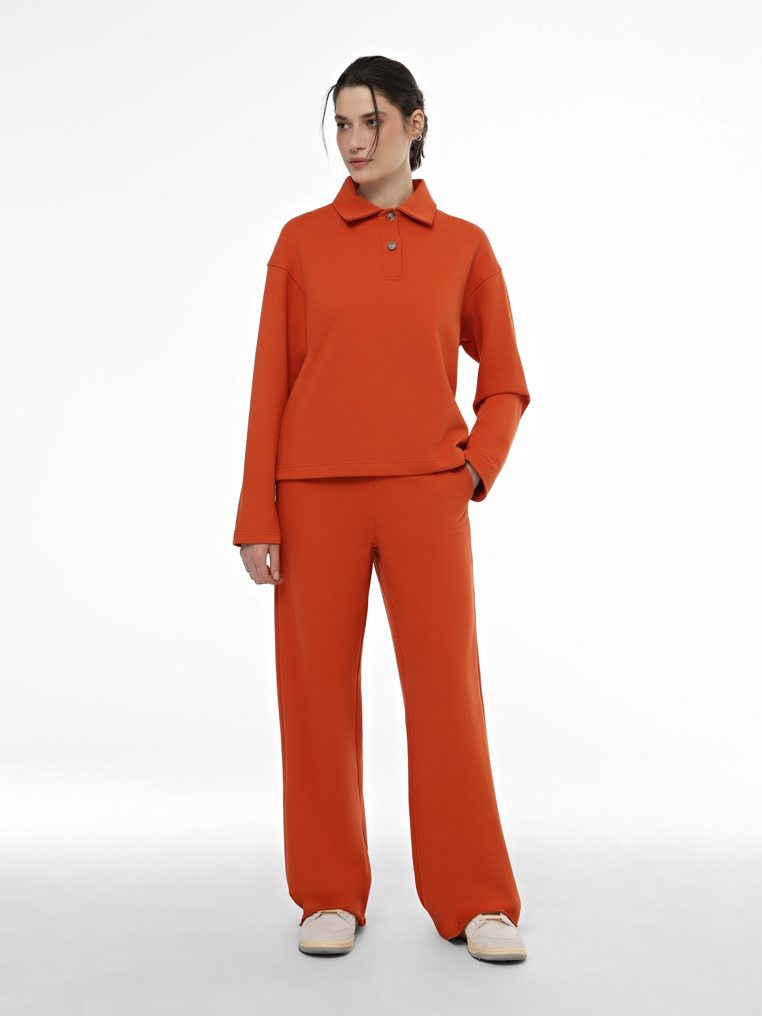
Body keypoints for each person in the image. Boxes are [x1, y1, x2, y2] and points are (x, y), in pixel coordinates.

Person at [232, 55, 531, 963]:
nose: (354, 143)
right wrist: (257, 515)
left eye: (372, 122)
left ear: (414, 123)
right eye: (342, 124)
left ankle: (476, 899)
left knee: (447, 696)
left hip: (425, 498)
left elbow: (506, 383)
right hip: (312, 497)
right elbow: (271, 381)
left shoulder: (465, 246)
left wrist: (473, 471)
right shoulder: (300, 242)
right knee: (316, 699)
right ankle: (328, 893)